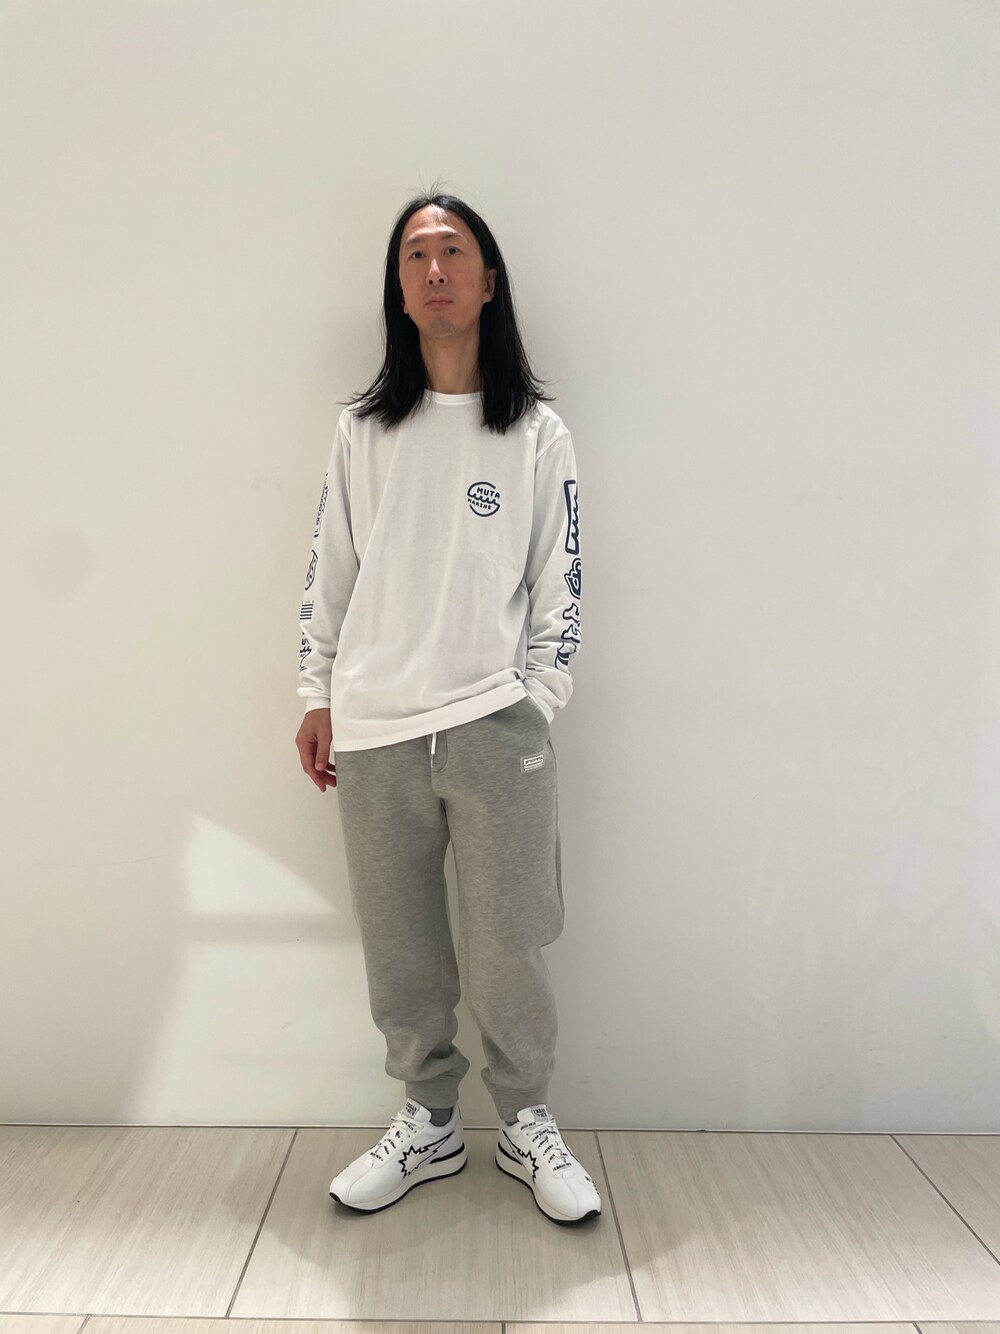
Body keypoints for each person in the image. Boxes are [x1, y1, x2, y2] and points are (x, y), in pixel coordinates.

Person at [294, 188, 599, 1225]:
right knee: (403, 948)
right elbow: (330, 569)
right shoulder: (364, 430)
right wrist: (316, 690)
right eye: (415, 254)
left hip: (495, 725)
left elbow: (561, 581)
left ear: (488, 279)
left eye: (453, 250)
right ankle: (427, 1121)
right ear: (399, 286)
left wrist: (536, 700)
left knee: (511, 943)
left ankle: (524, 1121)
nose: (433, 269)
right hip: (375, 728)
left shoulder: (536, 432)